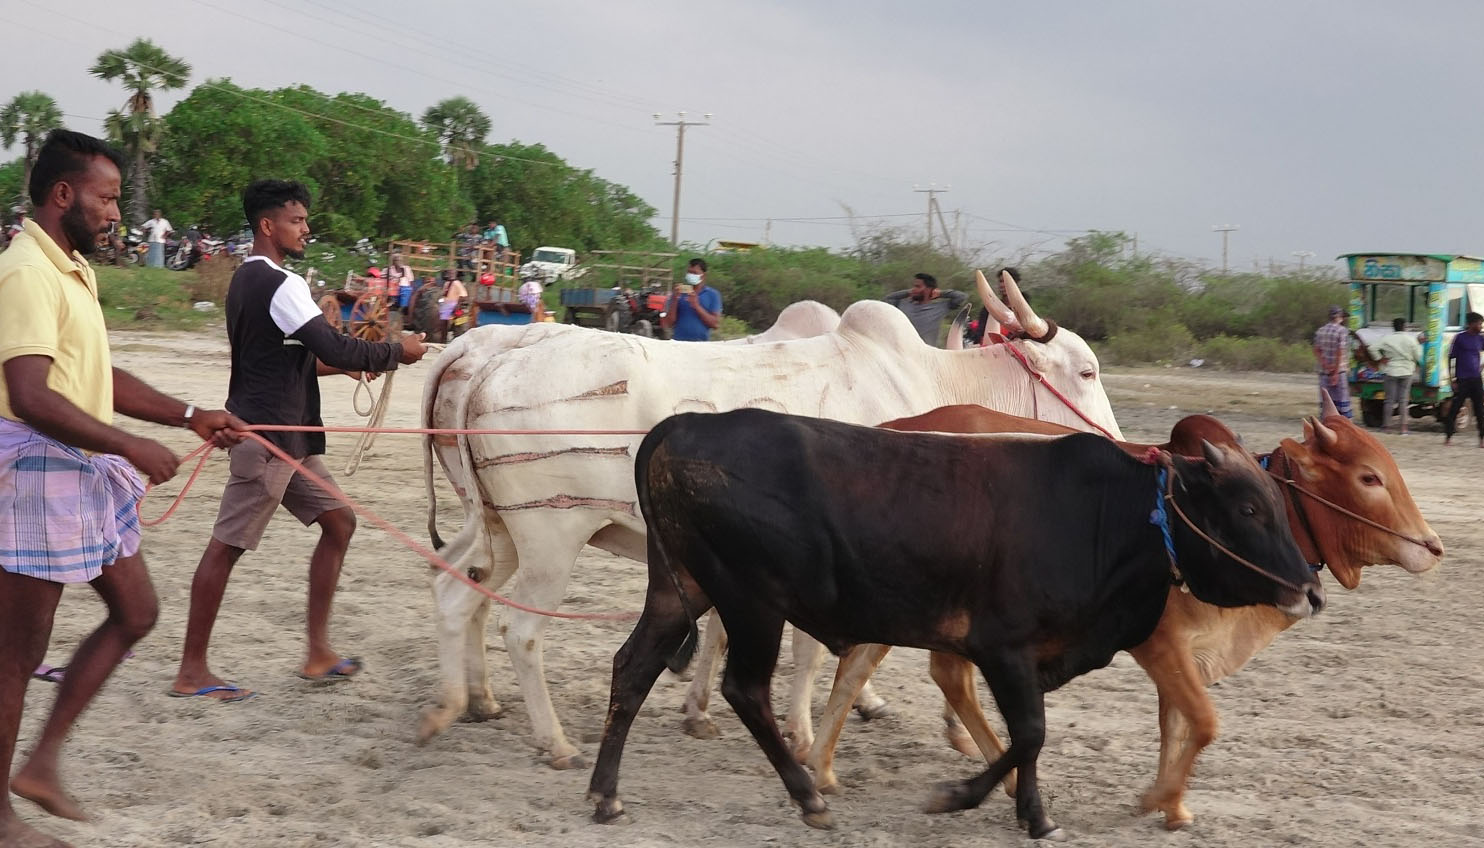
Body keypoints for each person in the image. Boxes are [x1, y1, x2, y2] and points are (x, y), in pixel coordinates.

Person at [0, 130, 244, 842]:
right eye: (106, 198)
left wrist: (189, 416)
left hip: (75, 464)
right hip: (36, 469)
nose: (116, 212)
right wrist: (128, 443)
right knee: (15, 654)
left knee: (135, 611)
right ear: (63, 194)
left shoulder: (69, 268)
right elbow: (31, 393)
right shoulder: (24, 271)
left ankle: (40, 765)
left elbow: (93, 377)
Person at [170, 180, 429, 703]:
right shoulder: (282, 283)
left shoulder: (245, 280)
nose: (306, 228)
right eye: (297, 220)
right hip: (268, 440)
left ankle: (317, 653)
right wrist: (395, 352)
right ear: (268, 225)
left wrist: (350, 368)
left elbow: (295, 358)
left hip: (289, 437)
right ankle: (191, 671)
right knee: (225, 550)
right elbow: (333, 344)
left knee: (339, 522)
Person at [883, 272, 970, 347]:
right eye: (913, 286)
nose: (913, 289)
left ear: (928, 289)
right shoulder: (903, 305)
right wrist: (908, 292)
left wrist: (940, 293)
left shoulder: (940, 307)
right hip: (900, 353)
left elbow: (962, 297)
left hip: (926, 357)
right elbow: (887, 299)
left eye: (917, 286)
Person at [1371, 317, 1424, 434]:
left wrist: (1380, 359)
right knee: (1403, 400)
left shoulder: (1387, 338)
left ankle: (1386, 427)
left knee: (1389, 400)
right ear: (1405, 327)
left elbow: (1372, 348)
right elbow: (1419, 356)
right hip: (1406, 371)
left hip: (1390, 371)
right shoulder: (1411, 340)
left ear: (1393, 327)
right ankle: (1403, 429)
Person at [1442, 311, 1484, 447]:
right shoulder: (1460, 338)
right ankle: (1448, 436)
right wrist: (1452, 379)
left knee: (1479, 409)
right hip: (1462, 379)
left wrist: (1481, 367)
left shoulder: (1480, 338)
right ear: (1471, 324)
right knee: (1455, 408)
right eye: (1479, 323)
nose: (1480, 326)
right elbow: (1451, 358)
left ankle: (1481, 439)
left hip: (1476, 379)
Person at [661, 258, 722, 341]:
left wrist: (696, 306)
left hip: (701, 344)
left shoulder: (712, 295)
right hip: (678, 343)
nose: (690, 275)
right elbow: (668, 323)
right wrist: (674, 300)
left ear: (703, 275)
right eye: (689, 272)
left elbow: (715, 324)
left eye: (694, 273)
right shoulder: (679, 292)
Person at [1312, 305, 1354, 419]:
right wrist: (1335, 372)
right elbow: (1340, 351)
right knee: (1342, 400)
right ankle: (1343, 424)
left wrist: (1325, 364)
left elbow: (1316, 350)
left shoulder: (1320, 331)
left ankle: (1326, 423)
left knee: (1326, 399)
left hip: (1324, 372)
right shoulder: (1342, 331)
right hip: (1339, 372)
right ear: (1340, 317)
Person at [437, 268, 469, 342]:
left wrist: (458, 305)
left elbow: (463, 295)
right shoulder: (447, 283)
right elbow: (444, 294)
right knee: (443, 323)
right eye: (449, 273)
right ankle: (443, 339)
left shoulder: (457, 283)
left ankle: (457, 339)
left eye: (452, 273)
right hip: (445, 305)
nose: (450, 275)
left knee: (458, 323)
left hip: (454, 304)